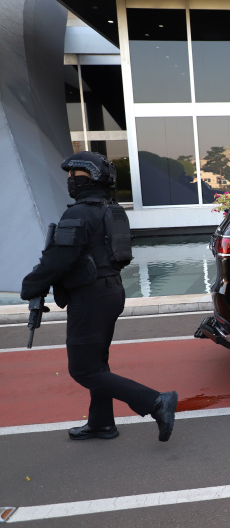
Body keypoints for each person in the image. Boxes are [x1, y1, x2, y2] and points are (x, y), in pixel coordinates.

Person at [20, 151, 178, 442]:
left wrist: (31, 285)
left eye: (75, 175)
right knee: (97, 363)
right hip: (110, 291)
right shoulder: (111, 209)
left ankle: (157, 402)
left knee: (83, 370)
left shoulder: (79, 212)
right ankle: (101, 423)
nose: (70, 181)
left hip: (91, 297)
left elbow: (58, 259)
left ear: (92, 178)